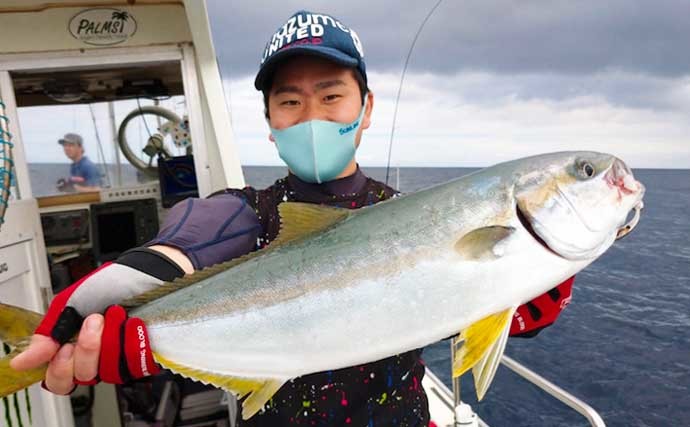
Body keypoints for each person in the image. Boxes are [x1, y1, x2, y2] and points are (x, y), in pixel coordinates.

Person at [12, 10, 573, 426]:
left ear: (365, 108)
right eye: (290, 102)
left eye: (331, 97)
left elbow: (454, 306)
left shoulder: (404, 216)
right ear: (270, 121)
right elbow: (185, 244)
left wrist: (531, 283)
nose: (311, 117)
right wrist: (121, 289)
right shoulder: (246, 213)